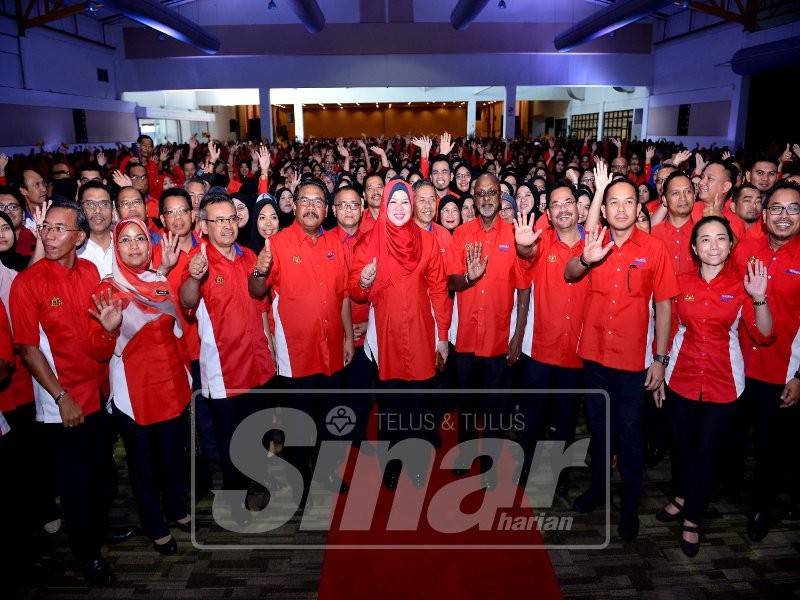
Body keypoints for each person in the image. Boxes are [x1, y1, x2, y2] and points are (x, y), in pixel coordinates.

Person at [566, 178, 680, 541]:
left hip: (633, 363)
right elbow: (569, 273)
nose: (619, 208)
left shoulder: (654, 249)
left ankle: (630, 507)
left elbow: (664, 305)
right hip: (595, 357)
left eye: (628, 202)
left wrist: (660, 359)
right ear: (605, 208)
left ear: (638, 207)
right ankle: (597, 491)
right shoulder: (594, 241)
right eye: (613, 202)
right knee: (599, 431)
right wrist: (587, 257)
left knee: (630, 436)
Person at [9, 200, 115, 585]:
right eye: (47, 228)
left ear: (80, 237)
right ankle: (88, 558)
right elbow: (29, 349)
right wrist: (59, 396)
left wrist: (109, 327)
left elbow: (100, 338)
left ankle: (95, 541)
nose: (50, 235)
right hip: (61, 404)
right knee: (75, 486)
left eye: (59, 229)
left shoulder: (89, 273)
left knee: (100, 479)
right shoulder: (28, 282)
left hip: (96, 394)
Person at [656, 216, 773, 557]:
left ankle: (692, 517)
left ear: (730, 245)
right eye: (705, 239)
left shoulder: (743, 285)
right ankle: (681, 494)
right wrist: (660, 369)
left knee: (708, 451)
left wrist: (760, 298)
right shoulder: (679, 283)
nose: (713, 245)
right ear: (694, 248)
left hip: (725, 383)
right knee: (681, 445)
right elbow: (669, 328)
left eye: (720, 238)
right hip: (682, 377)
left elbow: (764, 333)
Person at [87, 218, 191, 556]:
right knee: (143, 463)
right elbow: (100, 352)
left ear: (150, 245)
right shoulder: (107, 289)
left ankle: (176, 508)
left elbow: (177, 331)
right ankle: (154, 523)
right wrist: (107, 330)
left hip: (170, 383)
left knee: (173, 455)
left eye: (141, 240)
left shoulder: (159, 279)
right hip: (135, 391)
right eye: (126, 241)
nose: (134, 247)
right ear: (116, 248)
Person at [248, 178, 353, 494]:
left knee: (330, 421)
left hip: (332, 350)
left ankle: (326, 474)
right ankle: (301, 483)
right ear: (293, 205)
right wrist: (259, 271)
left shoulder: (335, 243)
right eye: (304, 200)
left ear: (326, 209)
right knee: (298, 425)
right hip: (297, 356)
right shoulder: (277, 245)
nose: (311, 206)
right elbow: (256, 291)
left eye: (318, 200)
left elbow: (343, 295)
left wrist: (348, 337)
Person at [179, 189, 276, 518]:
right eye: (218, 220)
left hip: (258, 362)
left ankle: (255, 480)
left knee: (256, 429)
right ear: (203, 225)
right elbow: (188, 302)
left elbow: (260, 297)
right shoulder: (200, 261)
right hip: (224, 368)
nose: (226, 225)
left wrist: (262, 272)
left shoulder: (249, 255)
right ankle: (235, 494)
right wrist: (194, 276)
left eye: (231, 219)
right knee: (229, 436)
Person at [349, 180, 452, 490]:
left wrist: (443, 336)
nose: (398, 208)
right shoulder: (369, 241)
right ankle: (392, 463)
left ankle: (417, 461)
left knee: (419, 404)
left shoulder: (428, 241)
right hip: (387, 335)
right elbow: (354, 288)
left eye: (404, 202)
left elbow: (438, 290)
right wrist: (364, 280)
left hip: (422, 332)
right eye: (392, 202)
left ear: (412, 206)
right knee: (392, 404)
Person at [446, 173, 539, 490]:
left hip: (500, 339)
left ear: (500, 198)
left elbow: (524, 291)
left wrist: (518, 336)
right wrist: (469, 278)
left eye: (492, 193)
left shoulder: (515, 235)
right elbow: (451, 281)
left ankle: (489, 460)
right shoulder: (461, 234)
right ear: (473, 196)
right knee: (467, 403)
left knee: (497, 408)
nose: (486, 198)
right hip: (468, 339)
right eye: (480, 192)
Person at [733, 180, 800, 541]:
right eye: (776, 208)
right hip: (741, 365)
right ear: (764, 212)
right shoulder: (748, 248)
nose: (784, 216)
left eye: (793, 209)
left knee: (771, 448)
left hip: (783, 371)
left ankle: (761, 507)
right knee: (736, 436)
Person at [515, 182, 588, 494]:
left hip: (576, 351)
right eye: (555, 204)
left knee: (566, 419)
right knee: (532, 417)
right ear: (548, 213)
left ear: (577, 208)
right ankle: (525, 468)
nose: (562, 209)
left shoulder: (594, 244)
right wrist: (521, 245)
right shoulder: (541, 241)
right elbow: (526, 253)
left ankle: (559, 475)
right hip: (542, 349)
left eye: (568, 202)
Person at [650, 172, 697, 277]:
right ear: (665, 200)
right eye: (675, 193)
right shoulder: (652, 235)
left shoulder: (703, 234)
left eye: (688, 192)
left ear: (694, 196)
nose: (683, 198)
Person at [76, 181, 114, 278]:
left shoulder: (126, 243)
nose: (97, 210)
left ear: (113, 210)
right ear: (79, 208)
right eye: (90, 204)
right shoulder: (72, 249)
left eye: (104, 204)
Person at [413, 179, 451, 254]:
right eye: (422, 200)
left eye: (432, 200)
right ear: (413, 202)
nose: (428, 205)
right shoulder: (404, 234)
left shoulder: (444, 235)